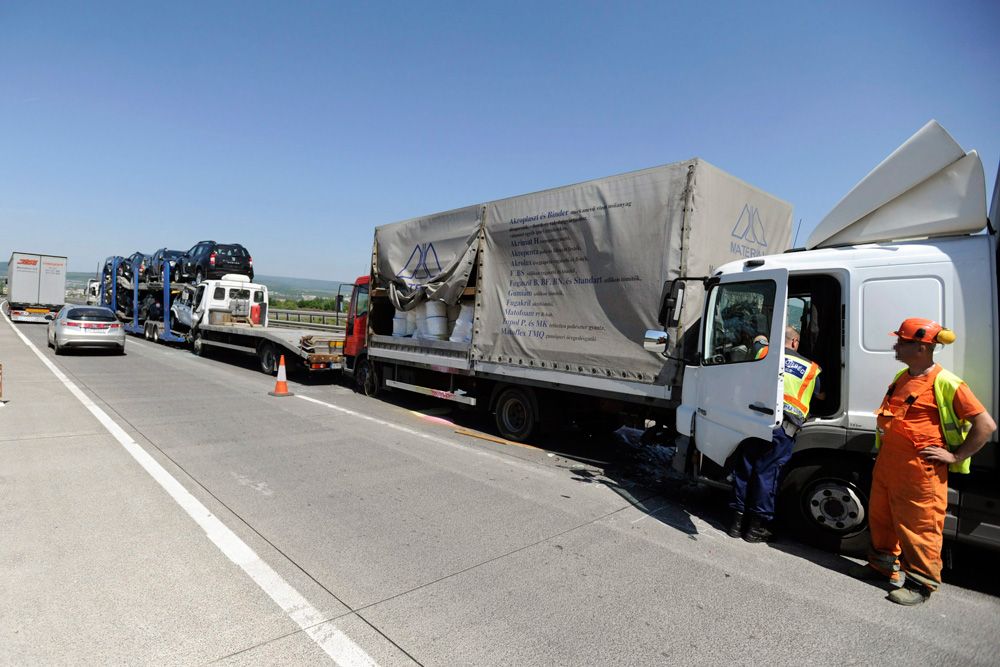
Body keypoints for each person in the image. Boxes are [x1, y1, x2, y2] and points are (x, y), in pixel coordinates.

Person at [851, 318, 996, 606]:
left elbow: (986, 425)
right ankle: (883, 566)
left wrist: (955, 456)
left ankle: (921, 584)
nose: (896, 345)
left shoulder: (946, 382)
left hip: (920, 472)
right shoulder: (902, 377)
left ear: (920, 346)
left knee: (920, 527)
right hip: (890, 465)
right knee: (882, 518)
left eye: (901, 341)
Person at [728, 326, 821, 542]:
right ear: (796, 342)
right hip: (783, 429)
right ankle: (755, 529)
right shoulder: (811, 369)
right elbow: (821, 395)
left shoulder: (764, 353)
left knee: (745, 469)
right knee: (766, 475)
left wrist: (762, 338)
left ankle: (735, 524)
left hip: (755, 421)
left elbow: (759, 343)